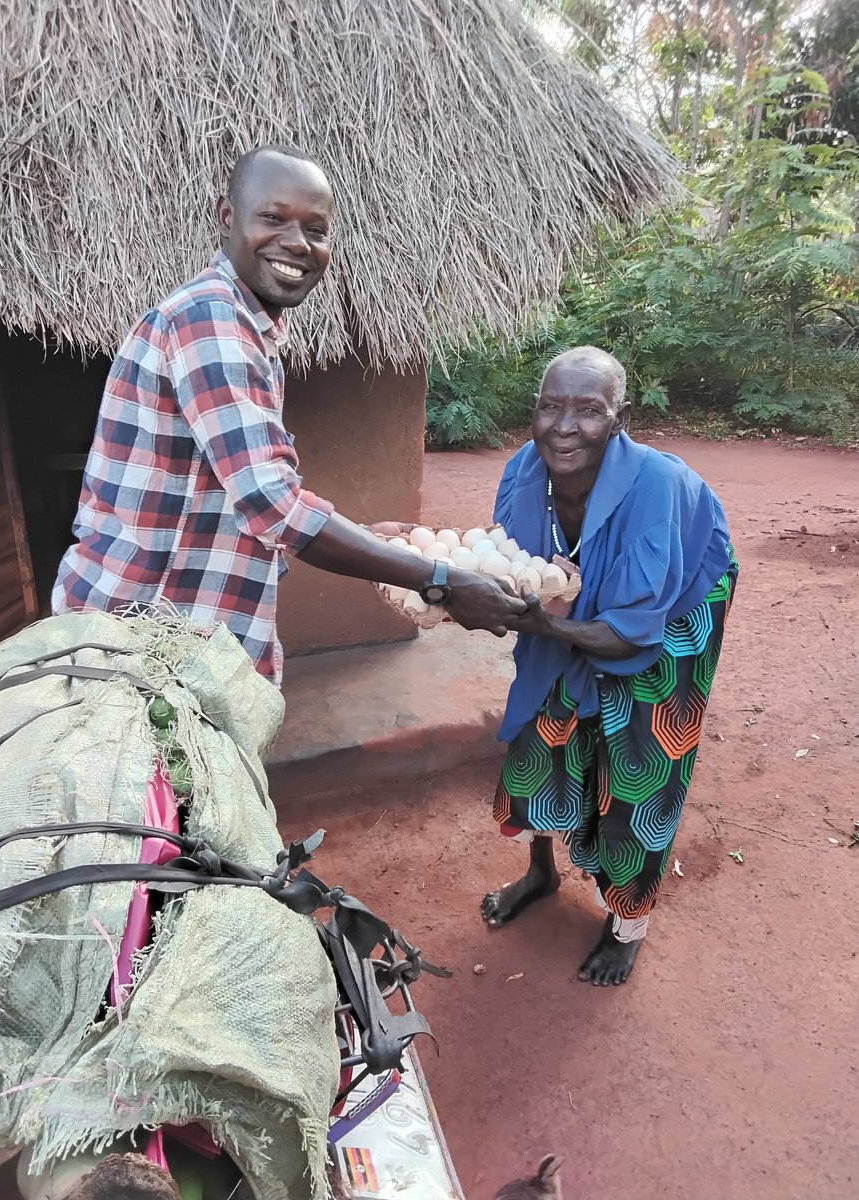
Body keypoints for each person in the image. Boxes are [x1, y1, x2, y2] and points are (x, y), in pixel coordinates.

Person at [53, 145, 524, 673]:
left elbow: (236, 495)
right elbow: (270, 503)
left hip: (173, 643)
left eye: (315, 229)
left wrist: (363, 535)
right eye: (273, 218)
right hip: (146, 651)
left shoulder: (246, 329)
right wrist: (439, 580)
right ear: (227, 216)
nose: (298, 243)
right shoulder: (210, 321)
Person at [482, 346, 737, 986]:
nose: (565, 427)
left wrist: (548, 624)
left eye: (589, 410)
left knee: (641, 753)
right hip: (584, 603)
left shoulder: (657, 488)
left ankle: (627, 925)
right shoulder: (522, 475)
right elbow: (520, 574)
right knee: (544, 713)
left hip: (676, 600)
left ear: (619, 418)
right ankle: (540, 872)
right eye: (551, 407)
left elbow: (630, 631)